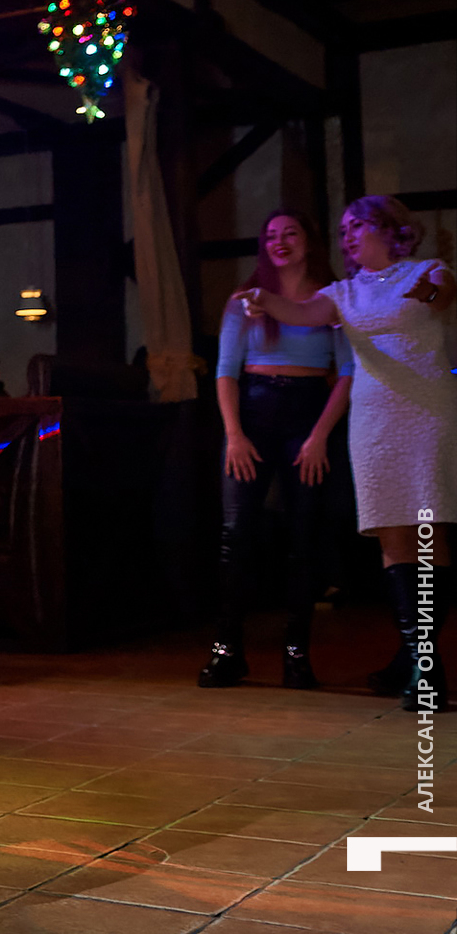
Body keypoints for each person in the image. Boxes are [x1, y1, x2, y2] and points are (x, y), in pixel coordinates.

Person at [241, 195, 454, 711]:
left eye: (358, 225)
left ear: (390, 228)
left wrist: (431, 291)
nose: (348, 236)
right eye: (343, 230)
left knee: (427, 536)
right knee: (392, 537)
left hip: (425, 414)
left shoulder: (427, 270)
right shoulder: (343, 292)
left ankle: (421, 666)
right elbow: (301, 311)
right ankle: (420, 665)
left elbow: (442, 295)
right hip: (374, 422)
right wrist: (264, 300)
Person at [200, 211, 352, 691]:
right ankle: (227, 651)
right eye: (270, 236)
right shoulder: (245, 299)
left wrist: (320, 435)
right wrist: (234, 434)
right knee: (236, 534)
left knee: (304, 537)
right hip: (253, 412)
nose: (279, 241)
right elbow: (225, 371)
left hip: (309, 416)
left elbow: (347, 372)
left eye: (290, 233)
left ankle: (296, 654)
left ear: (309, 241)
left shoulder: (333, 298)